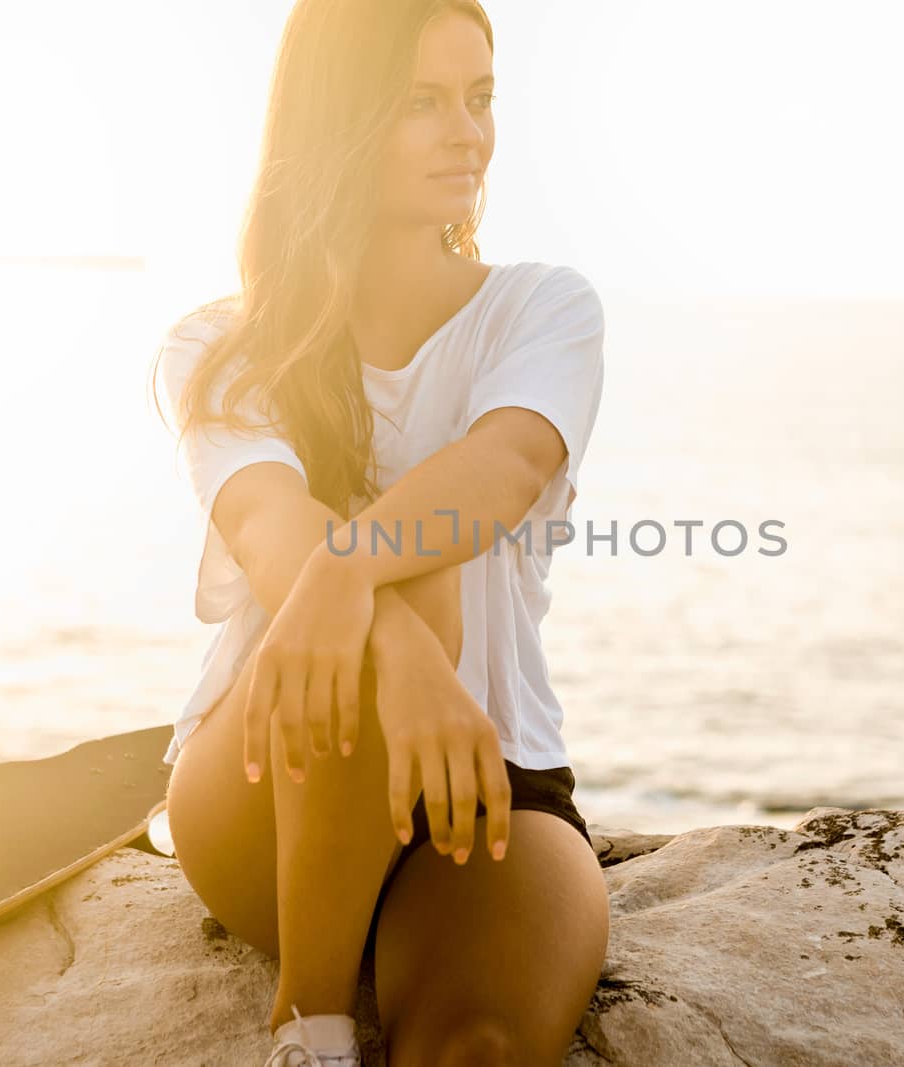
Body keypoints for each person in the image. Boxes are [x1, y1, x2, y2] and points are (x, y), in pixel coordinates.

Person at [150, 3, 610, 1064]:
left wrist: (348, 568)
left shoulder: (543, 311)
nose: (467, 132)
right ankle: (306, 1024)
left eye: (480, 97)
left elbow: (504, 469)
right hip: (272, 769)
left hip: (489, 772)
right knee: (403, 599)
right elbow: (269, 524)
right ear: (340, 118)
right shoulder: (219, 347)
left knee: (482, 1045)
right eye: (421, 103)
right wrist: (389, 635)